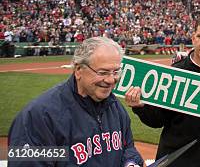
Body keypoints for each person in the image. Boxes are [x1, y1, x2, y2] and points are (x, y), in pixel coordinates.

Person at [124, 14, 200, 167]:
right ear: (193, 38)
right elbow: (158, 120)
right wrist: (140, 108)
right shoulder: (176, 72)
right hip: (175, 160)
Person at [8, 37, 143, 167]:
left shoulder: (114, 106)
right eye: (103, 72)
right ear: (78, 70)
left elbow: (127, 147)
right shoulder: (40, 116)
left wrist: (130, 163)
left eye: (116, 72)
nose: (111, 79)